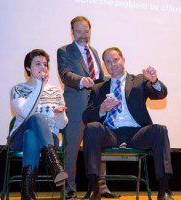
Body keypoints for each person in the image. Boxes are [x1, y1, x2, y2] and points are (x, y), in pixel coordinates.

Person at [82, 47, 174, 200]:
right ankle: (93, 188)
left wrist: (155, 81)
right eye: (108, 62)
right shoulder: (98, 88)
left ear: (123, 60)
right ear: (105, 65)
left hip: (136, 133)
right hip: (110, 133)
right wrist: (102, 109)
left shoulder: (139, 80)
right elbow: (86, 117)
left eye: (116, 60)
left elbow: (159, 94)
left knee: (160, 130)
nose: (113, 64)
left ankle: (164, 190)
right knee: (92, 127)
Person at [57, 16, 118, 199]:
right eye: (79, 31)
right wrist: (81, 80)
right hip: (76, 106)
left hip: (97, 106)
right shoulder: (64, 51)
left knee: (98, 144)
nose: (83, 34)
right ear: (72, 32)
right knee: (72, 147)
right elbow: (65, 74)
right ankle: (69, 189)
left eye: (86, 30)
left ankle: (101, 187)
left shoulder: (95, 52)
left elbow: (97, 78)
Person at [10, 49, 68, 200]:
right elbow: (25, 113)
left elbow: (61, 126)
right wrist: (39, 87)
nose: (43, 67)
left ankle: (27, 193)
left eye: (45, 64)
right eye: (38, 64)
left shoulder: (55, 91)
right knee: (36, 118)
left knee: (32, 136)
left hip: (49, 138)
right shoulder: (18, 89)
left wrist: (59, 114)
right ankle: (54, 165)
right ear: (28, 68)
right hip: (18, 139)